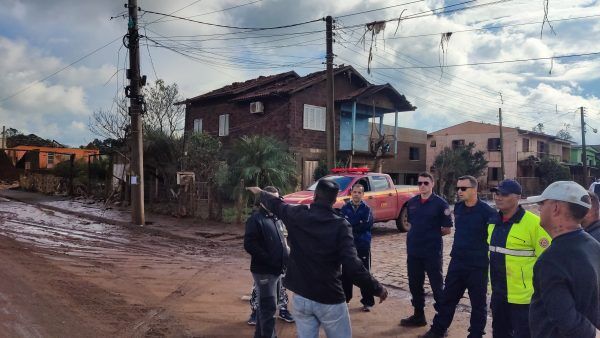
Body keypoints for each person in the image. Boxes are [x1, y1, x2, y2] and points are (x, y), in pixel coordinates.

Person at [247, 180, 388, 338]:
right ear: (334, 200)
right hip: (330, 298)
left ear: (314, 196)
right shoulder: (341, 225)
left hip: (301, 297)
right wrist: (377, 288)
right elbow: (353, 265)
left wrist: (261, 192)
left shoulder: (297, 215)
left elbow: (276, 204)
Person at [420, 175, 497, 338]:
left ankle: (475, 334)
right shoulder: (459, 208)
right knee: (448, 298)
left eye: (463, 188)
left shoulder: (488, 212)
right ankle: (438, 330)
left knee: (478, 304)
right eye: (458, 188)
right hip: (457, 262)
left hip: (478, 266)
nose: (459, 191)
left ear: (474, 189)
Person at [527, 181, 600, 338]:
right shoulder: (593, 245)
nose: (539, 208)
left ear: (555, 208)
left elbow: (567, 320)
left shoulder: (552, 260)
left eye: (542, 203)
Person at [487, 179, 551, 338]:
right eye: (496, 193)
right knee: (499, 333)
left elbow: (548, 261)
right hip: (498, 294)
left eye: (504, 194)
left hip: (525, 299)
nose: (498, 197)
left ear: (518, 197)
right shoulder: (493, 222)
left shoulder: (534, 224)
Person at [400, 172, 453, 327]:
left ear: (432, 184)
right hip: (414, 252)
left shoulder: (441, 204)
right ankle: (418, 316)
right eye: (420, 183)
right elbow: (411, 224)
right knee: (415, 284)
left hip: (432, 252)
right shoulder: (412, 203)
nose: (422, 186)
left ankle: (442, 322)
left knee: (437, 287)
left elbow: (447, 229)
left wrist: (431, 235)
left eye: (426, 183)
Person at [244, 186, 290, 338]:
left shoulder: (275, 218)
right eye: (273, 199)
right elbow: (249, 244)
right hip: (264, 271)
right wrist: (269, 259)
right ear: (264, 200)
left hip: (275, 270)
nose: (277, 203)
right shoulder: (256, 219)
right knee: (268, 309)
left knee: (267, 309)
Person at [340, 183, 375, 312]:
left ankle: (368, 301)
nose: (356, 194)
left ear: (363, 194)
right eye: (354, 192)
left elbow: (365, 225)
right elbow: (343, 224)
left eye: (359, 192)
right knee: (346, 273)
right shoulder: (345, 208)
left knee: (364, 273)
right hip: (348, 246)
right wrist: (355, 224)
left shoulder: (367, 209)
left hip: (363, 245)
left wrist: (351, 225)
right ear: (351, 193)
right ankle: (345, 299)